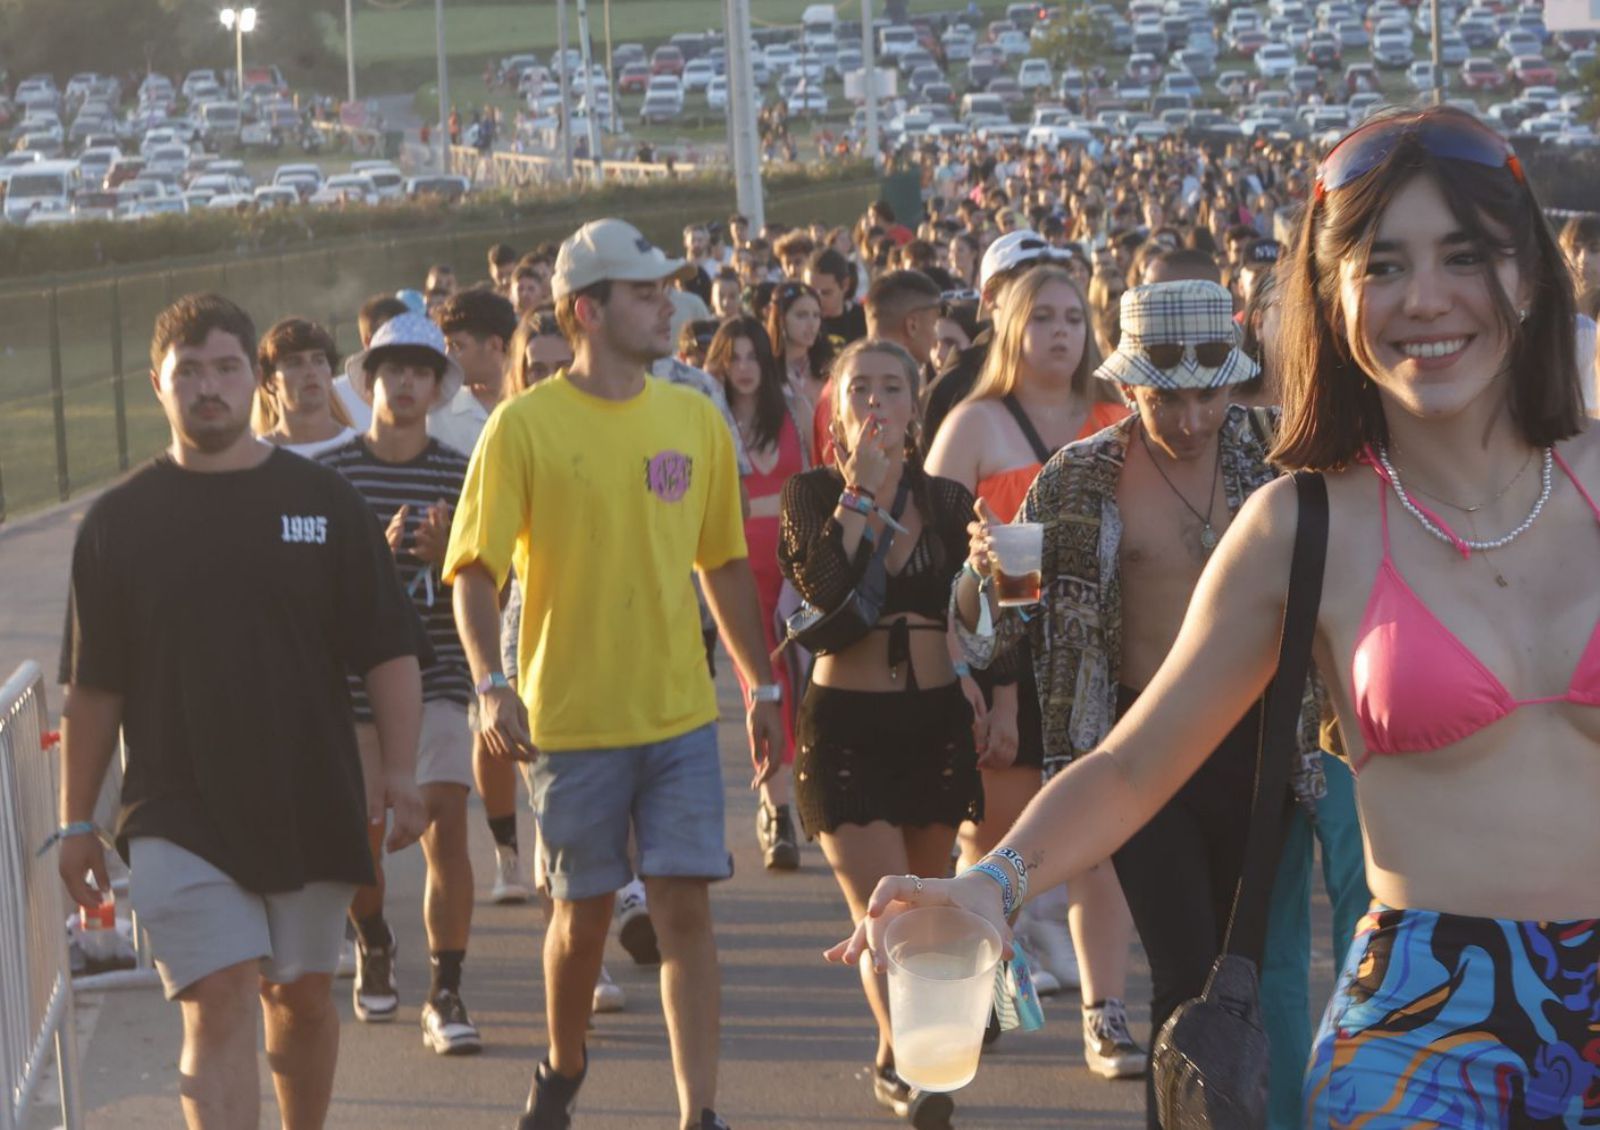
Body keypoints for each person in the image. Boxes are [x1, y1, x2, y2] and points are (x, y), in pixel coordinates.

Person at [837, 106, 1600, 1130]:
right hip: (1425, 1036)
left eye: (1463, 255)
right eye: (1379, 267)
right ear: (1329, 301)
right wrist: (991, 883)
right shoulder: (1301, 523)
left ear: (1526, 275)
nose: (1424, 300)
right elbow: (1132, 761)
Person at [55, 293, 427, 1130]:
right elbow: (95, 688)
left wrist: (401, 774)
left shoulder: (326, 505)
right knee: (216, 997)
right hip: (174, 810)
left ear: (250, 380)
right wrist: (76, 820)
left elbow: (387, 648)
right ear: (158, 383)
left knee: (297, 998)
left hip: (309, 794)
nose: (208, 387)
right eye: (189, 372)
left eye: (226, 367)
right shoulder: (116, 524)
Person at [445, 218, 784, 1130]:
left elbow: (720, 566)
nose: (667, 302)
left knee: (684, 914)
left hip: (676, 715)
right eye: (643, 292)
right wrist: (490, 683)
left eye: (665, 287)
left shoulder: (692, 418)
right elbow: (474, 573)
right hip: (569, 723)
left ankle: (698, 1111)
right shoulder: (523, 427)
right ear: (586, 311)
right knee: (584, 918)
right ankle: (562, 1066)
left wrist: (762, 685)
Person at [924, 265, 1138, 1075]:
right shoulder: (977, 423)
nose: (1059, 332)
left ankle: (1104, 1013)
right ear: (1011, 328)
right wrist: (963, 669)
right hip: (1002, 654)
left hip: (1099, 657)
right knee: (997, 844)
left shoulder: (1117, 417)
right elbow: (936, 556)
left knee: (1099, 843)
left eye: (1073, 319)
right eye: (1041, 316)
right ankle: (998, 994)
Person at [779, 337, 992, 1129]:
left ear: (914, 405)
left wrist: (994, 695)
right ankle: (907, 1052)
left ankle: (912, 1053)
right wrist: (860, 502)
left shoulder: (945, 499)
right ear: (835, 409)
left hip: (933, 720)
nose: (876, 401)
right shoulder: (809, 494)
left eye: (892, 388)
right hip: (847, 727)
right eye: (859, 388)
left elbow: (977, 613)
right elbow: (827, 598)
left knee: (931, 915)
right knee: (886, 912)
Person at [319, 312, 485, 1054]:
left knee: (445, 825)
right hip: (352, 688)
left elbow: (491, 583)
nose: (407, 383)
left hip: (440, 675)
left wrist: (452, 553)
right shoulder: (334, 473)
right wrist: (373, 566)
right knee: (361, 838)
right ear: (371, 381)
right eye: (394, 371)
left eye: (421, 371)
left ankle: (447, 988)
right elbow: (309, 586)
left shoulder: (460, 470)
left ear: (437, 384)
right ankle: (374, 939)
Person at [703, 315, 813, 871]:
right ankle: (777, 811)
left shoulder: (793, 411)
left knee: (801, 679)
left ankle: (801, 792)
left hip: (795, 564)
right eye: (733, 358)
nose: (743, 368)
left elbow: (818, 479)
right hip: (738, 566)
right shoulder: (708, 420)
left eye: (751, 357)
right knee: (760, 686)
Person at [252, 317, 360, 458]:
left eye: (318, 360)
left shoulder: (360, 451)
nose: (310, 372)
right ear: (270, 381)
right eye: (294, 363)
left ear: (331, 373)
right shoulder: (254, 458)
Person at [767, 279, 834, 424]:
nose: (811, 324)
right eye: (801, 315)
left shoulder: (829, 369)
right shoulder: (765, 370)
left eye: (816, 315)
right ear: (781, 319)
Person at [805, 247, 868, 348]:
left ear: (845, 285)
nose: (817, 299)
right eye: (811, 292)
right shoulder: (799, 321)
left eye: (825, 293)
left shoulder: (863, 320)